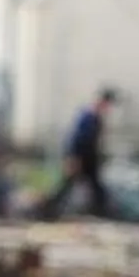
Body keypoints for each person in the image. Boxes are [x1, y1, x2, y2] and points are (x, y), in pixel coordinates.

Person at [42, 87, 117, 218]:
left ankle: (102, 211)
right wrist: (73, 157)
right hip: (80, 156)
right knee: (68, 183)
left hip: (89, 157)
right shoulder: (87, 116)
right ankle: (48, 208)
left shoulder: (96, 117)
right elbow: (76, 138)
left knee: (95, 185)